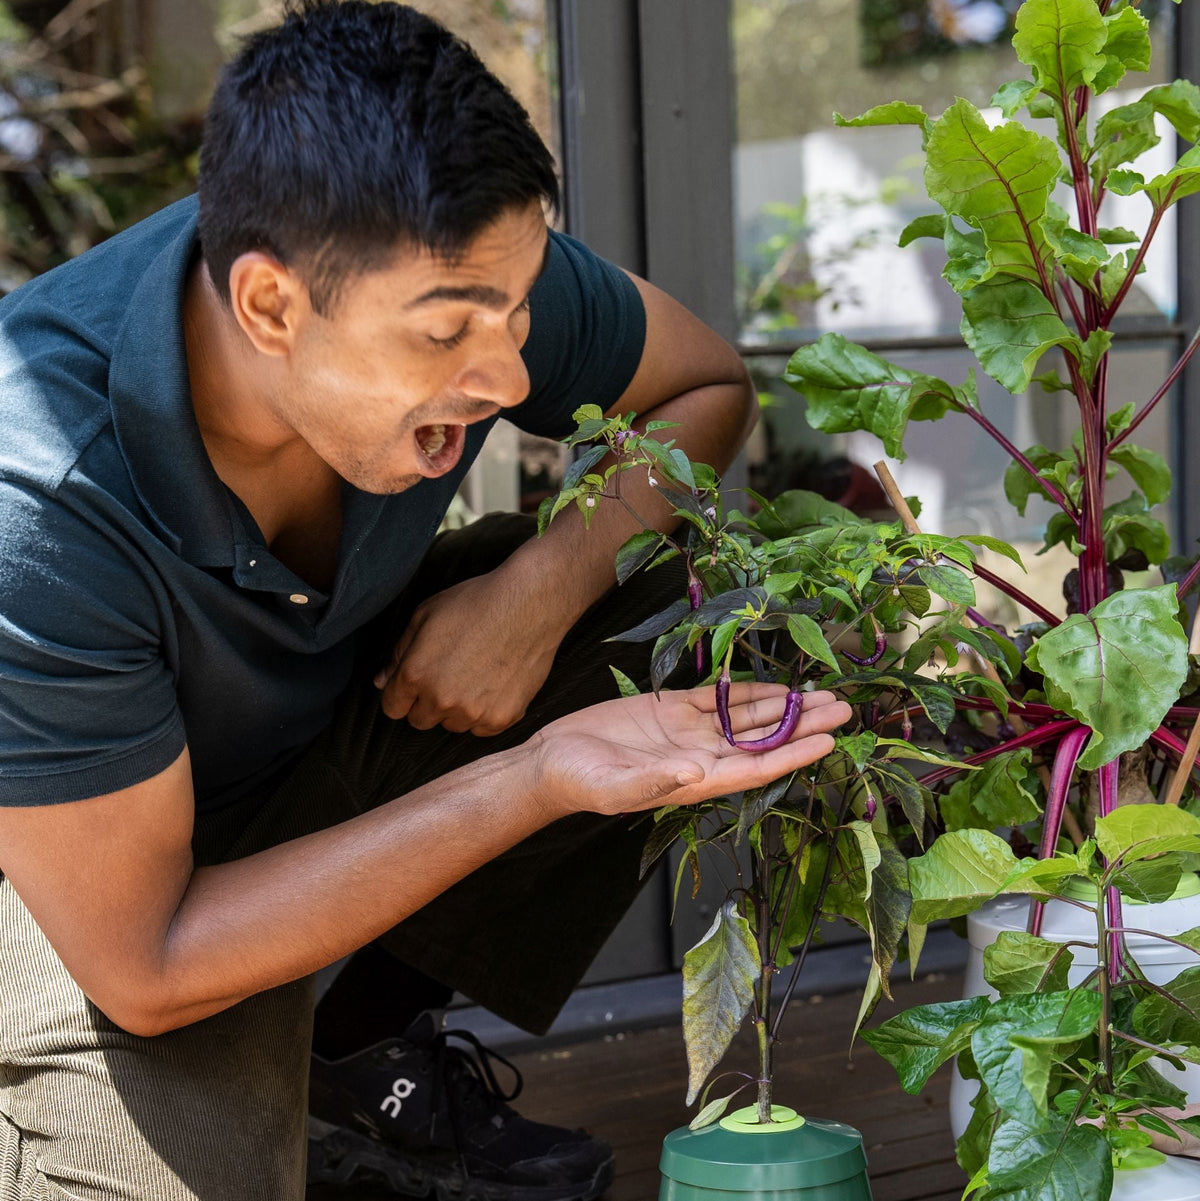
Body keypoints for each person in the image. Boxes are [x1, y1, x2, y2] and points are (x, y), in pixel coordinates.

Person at [0, 3, 850, 1199]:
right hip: (73, 874)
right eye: (451, 332)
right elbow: (144, 957)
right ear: (269, 309)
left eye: (515, 315)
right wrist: (540, 772)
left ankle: (358, 1053)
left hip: (292, 747)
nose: (506, 375)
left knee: (691, 594)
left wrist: (538, 593)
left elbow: (704, 385)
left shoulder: (455, 266)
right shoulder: (35, 496)